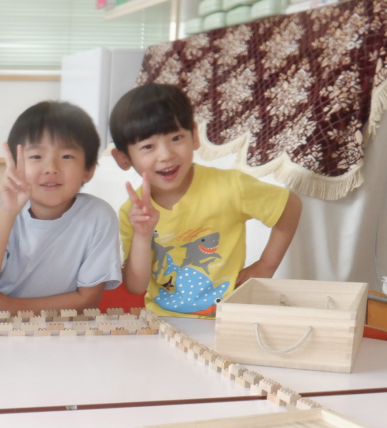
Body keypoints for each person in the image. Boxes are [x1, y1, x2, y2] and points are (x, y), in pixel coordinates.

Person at [110, 83, 301, 318]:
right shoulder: (132, 212)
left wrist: (266, 264)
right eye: (148, 146)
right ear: (123, 158)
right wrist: (142, 235)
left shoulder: (231, 186)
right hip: (162, 322)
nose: (166, 155)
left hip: (228, 319)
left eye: (176, 138)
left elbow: (290, 205)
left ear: (194, 136)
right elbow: (136, 286)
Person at [0, 101, 121, 313]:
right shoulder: (4, 212)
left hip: (65, 327)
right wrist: (7, 213)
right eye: (36, 156)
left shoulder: (99, 217)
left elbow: (87, 301)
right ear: (16, 166)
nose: (51, 168)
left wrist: (11, 307)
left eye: (67, 156)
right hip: (1, 326)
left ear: (88, 170)